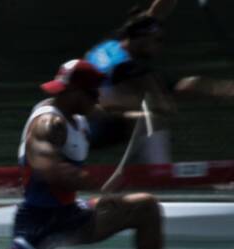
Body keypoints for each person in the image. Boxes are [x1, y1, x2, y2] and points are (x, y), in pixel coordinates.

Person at [0, 59, 163, 249]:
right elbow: (51, 170)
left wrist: (142, 117)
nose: (98, 98)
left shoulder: (77, 115)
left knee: (146, 207)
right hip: (40, 221)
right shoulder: (48, 125)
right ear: (74, 92)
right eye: (93, 93)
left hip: (72, 214)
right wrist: (100, 186)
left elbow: (110, 113)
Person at [85, 0, 234, 162]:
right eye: (158, 40)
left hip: (100, 109)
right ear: (142, 38)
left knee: (191, 85)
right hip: (91, 128)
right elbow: (164, 106)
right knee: (154, 120)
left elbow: (156, 12)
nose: (160, 46)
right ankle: (160, 173)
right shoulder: (125, 66)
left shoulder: (119, 38)